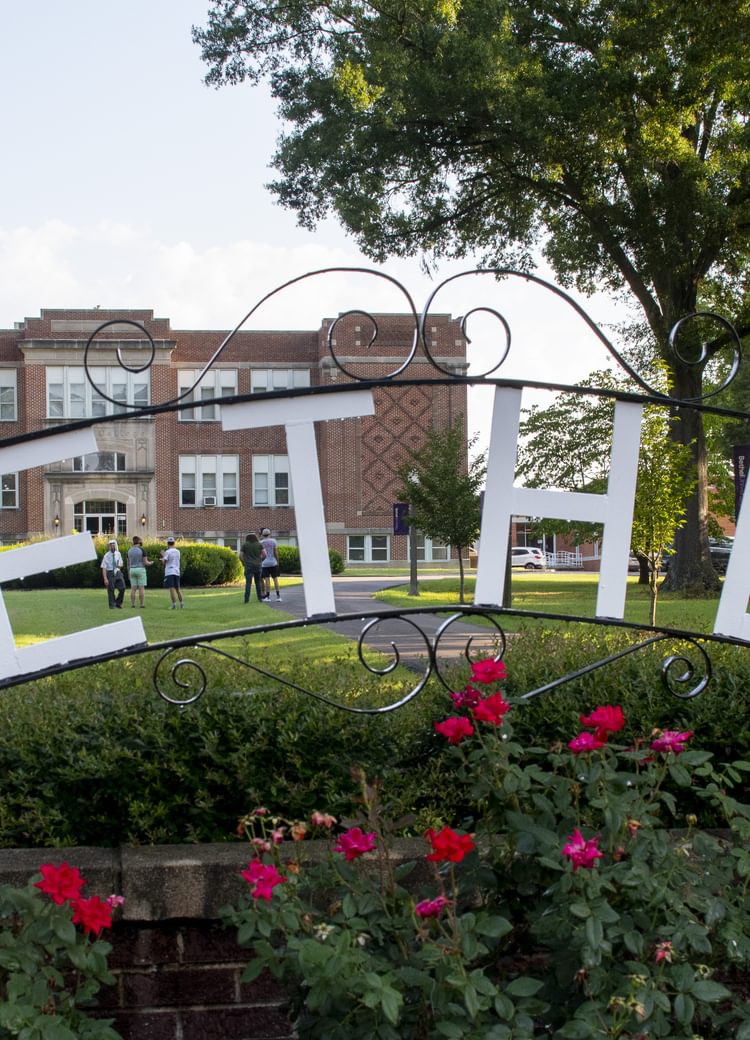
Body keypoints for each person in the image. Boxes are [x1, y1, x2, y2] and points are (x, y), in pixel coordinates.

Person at [239, 532, 265, 603]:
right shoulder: (259, 545)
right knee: (258, 582)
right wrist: (260, 561)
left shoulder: (245, 545)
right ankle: (260, 599)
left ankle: (246, 600)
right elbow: (265, 554)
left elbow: (240, 556)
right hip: (258, 566)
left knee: (248, 583)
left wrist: (243, 563)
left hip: (248, 566)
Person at [127, 535, 151, 608]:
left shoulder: (129, 551)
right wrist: (151, 563)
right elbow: (145, 562)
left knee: (133, 589)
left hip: (132, 570)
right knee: (141, 588)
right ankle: (142, 604)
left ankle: (132, 604)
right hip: (140, 569)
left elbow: (128, 563)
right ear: (139, 542)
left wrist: (128, 572)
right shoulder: (142, 550)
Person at [101, 538, 125, 609]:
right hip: (110, 572)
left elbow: (121, 564)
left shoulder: (118, 554)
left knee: (122, 587)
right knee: (111, 589)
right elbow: (104, 568)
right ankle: (112, 605)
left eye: (114, 545)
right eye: (111, 546)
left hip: (117, 572)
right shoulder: (106, 556)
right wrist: (105, 579)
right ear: (109, 546)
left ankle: (118, 603)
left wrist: (118, 566)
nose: (112, 547)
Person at [161, 536, 184, 609]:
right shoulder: (178, 551)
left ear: (168, 544)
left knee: (171, 588)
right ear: (174, 543)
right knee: (178, 588)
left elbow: (164, 562)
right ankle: (181, 603)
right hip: (176, 571)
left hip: (169, 571)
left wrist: (163, 555)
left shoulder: (167, 552)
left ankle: (174, 604)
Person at [260, 527, 282, 601]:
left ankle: (268, 597)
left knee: (267, 580)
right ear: (269, 534)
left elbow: (261, 554)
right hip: (273, 563)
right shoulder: (274, 541)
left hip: (264, 564)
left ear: (263, 535)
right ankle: (278, 596)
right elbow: (275, 553)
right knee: (275, 579)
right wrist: (278, 561)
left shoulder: (261, 543)